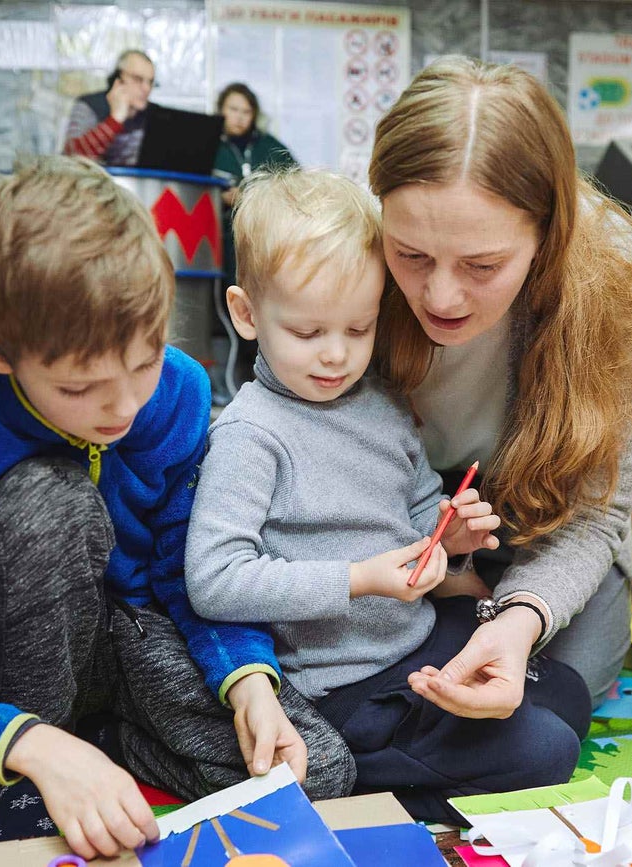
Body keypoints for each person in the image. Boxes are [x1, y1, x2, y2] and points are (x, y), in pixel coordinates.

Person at [0, 156, 354, 860]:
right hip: (16, 666)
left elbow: (188, 568)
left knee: (317, 770)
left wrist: (248, 684)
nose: (122, 407)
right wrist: (33, 743)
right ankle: (39, 771)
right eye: (80, 387)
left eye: (144, 361)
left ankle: (110, 744)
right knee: (48, 500)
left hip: (131, 639)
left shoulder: (176, 390)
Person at [185, 168, 592, 823]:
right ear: (246, 314)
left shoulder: (379, 404)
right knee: (546, 750)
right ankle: (353, 783)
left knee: (567, 691)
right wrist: (358, 578)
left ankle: (427, 754)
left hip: (414, 637)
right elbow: (214, 579)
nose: (335, 356)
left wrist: (449, 540)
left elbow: (412, 518)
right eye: (309, 333)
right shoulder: (250, 433)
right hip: (338, 684)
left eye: (357, 328)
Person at [367, 56, 632, 713]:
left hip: (545, 524)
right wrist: (443, 574)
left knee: (554, 696)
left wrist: (520, 617)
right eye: (411, 255)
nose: (441, 295)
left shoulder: (626, 281)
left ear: (548, 235)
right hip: (388, 530)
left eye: (483, 264)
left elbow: (595, 516)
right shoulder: (349, 255)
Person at [213, 83, 299, 392]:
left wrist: (247, 193)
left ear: (254, 115)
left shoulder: (268, 145)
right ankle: (232, 375)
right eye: (232, 109)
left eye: (245, 111)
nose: (238, 117)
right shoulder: (210, 143)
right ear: (221, 109)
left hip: (264, 236)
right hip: (220, 236)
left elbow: (293, 181)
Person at [62, 49, 154, 165]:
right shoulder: (89, 106)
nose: (146, 88)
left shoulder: (156, 116)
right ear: (118, 79)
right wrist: (115, 119)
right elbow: (72, 158)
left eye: (150, 82)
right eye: (137, 79)